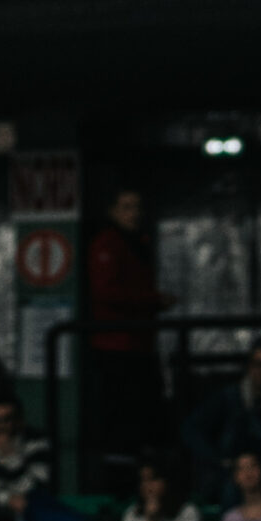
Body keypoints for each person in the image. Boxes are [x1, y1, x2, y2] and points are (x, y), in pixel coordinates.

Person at [83, 183, 170, 466]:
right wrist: (153, 301)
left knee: (143, 414)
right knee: (121, 417)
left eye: (137, 207)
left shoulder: (138, 243)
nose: (134, 214)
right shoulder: (107, 244)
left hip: (139, 343)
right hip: (117, 347)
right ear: (112, 211)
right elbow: (107, 293)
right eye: (126, 207)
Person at [183, 337, 261, 501]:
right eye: (258, 364)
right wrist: (219, 461)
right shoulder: (230, 398)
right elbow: (191, 429)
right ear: (249, 367)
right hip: (231, 476)